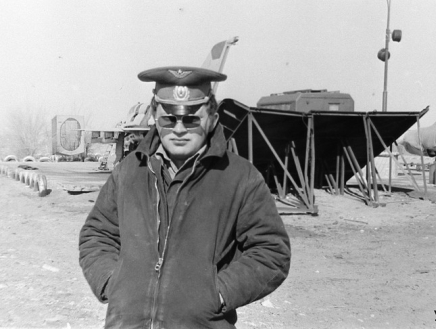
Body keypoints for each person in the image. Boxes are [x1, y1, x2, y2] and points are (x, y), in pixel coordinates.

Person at [79, 66, 291, 328]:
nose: (179, 129)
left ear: (212, 118)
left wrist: (218, 293)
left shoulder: (241, 178)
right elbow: (96, 234)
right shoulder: (128, 172)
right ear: (154, 117)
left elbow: (272, 252)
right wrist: (113, 282)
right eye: (169, 118)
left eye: (191, 119)